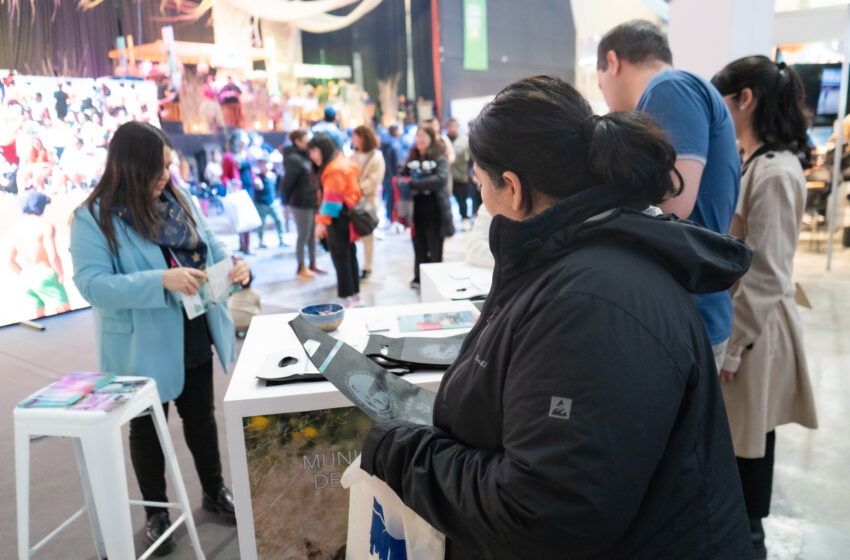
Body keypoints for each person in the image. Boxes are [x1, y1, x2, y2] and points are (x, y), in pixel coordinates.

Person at [354, 75, 752, 559]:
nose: (482, 199)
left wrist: (401, 453)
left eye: (481, 185)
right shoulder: (575, 263)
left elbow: (542, 514)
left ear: (515, 190)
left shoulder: (592, 305)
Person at [69, 122, 251, 555]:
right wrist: (161, 281)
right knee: (147, 429)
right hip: (141, 342)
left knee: (201, 419)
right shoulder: (92, 219)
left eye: (168, 166)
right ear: (131, 167)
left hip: (194, 327)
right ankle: (156, 513)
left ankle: (214, 490)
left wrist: (236, 266)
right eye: (157, 168)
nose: (166, 175)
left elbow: (210, 245)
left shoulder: (178, 198)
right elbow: (93, 285)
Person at [711, 56, 819, 560]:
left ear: (745, 99)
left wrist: (733, 348)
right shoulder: (755, 161)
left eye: (723, 100)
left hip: (755, 336)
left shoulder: (775, 172)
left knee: (746, 463)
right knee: (738, 455)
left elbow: (769, 272)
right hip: (747, 328)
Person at [596, 20, 741, 371]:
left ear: (612, 62)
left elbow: (671, 205)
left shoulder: (669, 88)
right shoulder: (677, 90)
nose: (603, 92)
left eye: (599, 80)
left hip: (684, 312)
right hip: (690, 306)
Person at [309, 135, 361, 304]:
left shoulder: (334, 169)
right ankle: (354, 296)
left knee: (341, 258)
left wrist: (319, 225)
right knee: (349, 255)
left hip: (339, 220)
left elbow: (331, 204)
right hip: (347, 218)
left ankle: (346, 298)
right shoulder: (341, 162)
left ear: (323, 150)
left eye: (314, 152)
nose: (312, 156)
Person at [400, 126, 454, 288]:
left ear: (431, 138)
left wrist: (414, 184)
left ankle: (435, 280)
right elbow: (401, 178)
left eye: (424, 136)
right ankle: (419, 278)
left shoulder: (439, 156)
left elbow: (440, 179)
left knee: (435, 245)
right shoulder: (411, 157)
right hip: (415, 210)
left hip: (435, 209)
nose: (420, 139)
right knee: (418, 245)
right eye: (418, 136)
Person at [5, 190, 71, 318]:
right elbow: (53, 255)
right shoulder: (45, 226)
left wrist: (23, 274)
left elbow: (10, 261)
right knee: (66, 313)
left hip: (27, 275)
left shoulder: (15, 229)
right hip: (45, 272)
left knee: (38, 318)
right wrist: (60, 273)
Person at [282, 129, 325, 279]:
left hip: (312, 200)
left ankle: (312, 263)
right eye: (306, 139)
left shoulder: (308, 156)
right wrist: (285, 201)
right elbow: (287, 182)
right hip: (300, 202)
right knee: (303, 235)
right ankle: (301, 267)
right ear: (298, 141)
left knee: (312, 235)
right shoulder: (294, 159)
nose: (309, 141)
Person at [350, 125, 386, 281]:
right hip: (352, 201)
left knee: (367, 233)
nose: (353, 140)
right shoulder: (353, 155)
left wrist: (356, 190)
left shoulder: (376, 156)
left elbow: (374, 180)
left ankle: (368, 265)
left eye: (355, 136)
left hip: (368, 201)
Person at [252, 155, 285, 249]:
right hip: (261, 203)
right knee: (261, 223)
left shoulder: (274, 176)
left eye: (265, 163)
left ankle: (281, 239)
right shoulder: (257, 177)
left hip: (272, 202)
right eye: (261, 164)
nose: (264, 166)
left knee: (279, 220)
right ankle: (261, 240)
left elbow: (278, 187)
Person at [447, 118, 473, 230]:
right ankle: (448, 223)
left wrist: (471, 174)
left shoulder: (465, 140)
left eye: (454, 126)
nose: (452, 128)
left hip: (461, 176)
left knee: (462, 201)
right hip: (447, 178)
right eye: (450, 126)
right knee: (446, 202)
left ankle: (465, 219)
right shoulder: (443, 140)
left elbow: (471, 160)